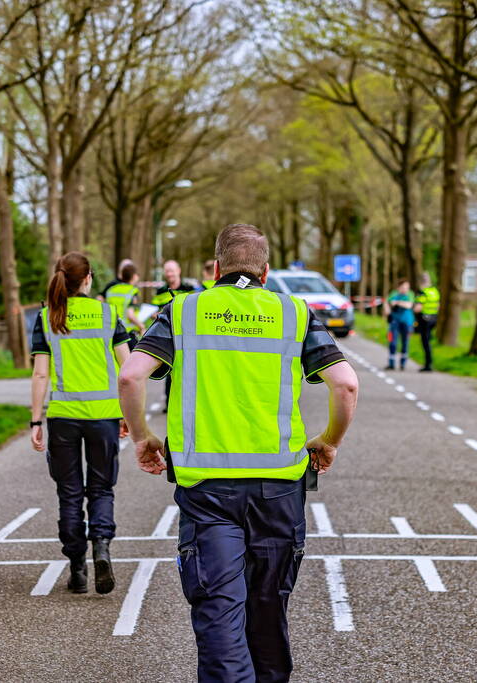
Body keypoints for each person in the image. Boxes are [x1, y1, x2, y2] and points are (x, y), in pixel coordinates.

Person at [119, 224, 359, 683]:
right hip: (279, 492)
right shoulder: (293, 312)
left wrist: (143, 435)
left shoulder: (184, 309)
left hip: (208, 492)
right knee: (268, 612)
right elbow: (346, 384)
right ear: (266, 272)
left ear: (215, 269)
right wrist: (328, 441)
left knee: (220, 614)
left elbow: (131, 377)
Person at [30, 252, 131, 595]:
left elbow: (40, 372)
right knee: (101, 489)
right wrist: (129, 415)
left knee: (69, 493)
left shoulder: (47, 317)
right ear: (88, 279)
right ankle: (101, 548)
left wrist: (35, 420)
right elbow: (127, 368)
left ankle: (77, 567)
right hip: (103, 417)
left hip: (63, 417)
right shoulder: (108, 314)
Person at [150, 259, 197, 410]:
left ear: (179, 271)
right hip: (167, 335)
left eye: (172, 270)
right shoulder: (160, 291)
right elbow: (154, 310)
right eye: (167, 271)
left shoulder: (188, 288)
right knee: (169, 369)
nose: (169, 273)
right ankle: (170, 403)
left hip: (187, 334)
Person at [106, 262, 146, 346]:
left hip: (112, 332)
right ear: (134, 276)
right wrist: (141, 326)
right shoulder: (132, 291)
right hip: (128, 334)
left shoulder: (111, 290)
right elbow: (130, 315)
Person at [384, 279, 414, 371]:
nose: (405, 289)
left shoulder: (410, 294)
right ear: (399, 287)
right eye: (403, 287)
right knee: (392, 342)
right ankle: (391, 363)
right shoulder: (394, 293)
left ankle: (402, 364)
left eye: (407, 287)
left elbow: (409, 305)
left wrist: (397, 303)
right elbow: (387, 302)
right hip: (394, 322)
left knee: (405, 343)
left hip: (407, 322)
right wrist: (388, 311)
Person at [414, 273, 440, 373]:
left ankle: (428, 364)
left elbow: (418, 308)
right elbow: (438, 305)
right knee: (428, 341)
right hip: (433, 319)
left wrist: (413, 307)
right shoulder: (434, 291)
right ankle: (429, 363)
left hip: (424, 320)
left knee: (425, 342)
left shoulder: (423, 292)